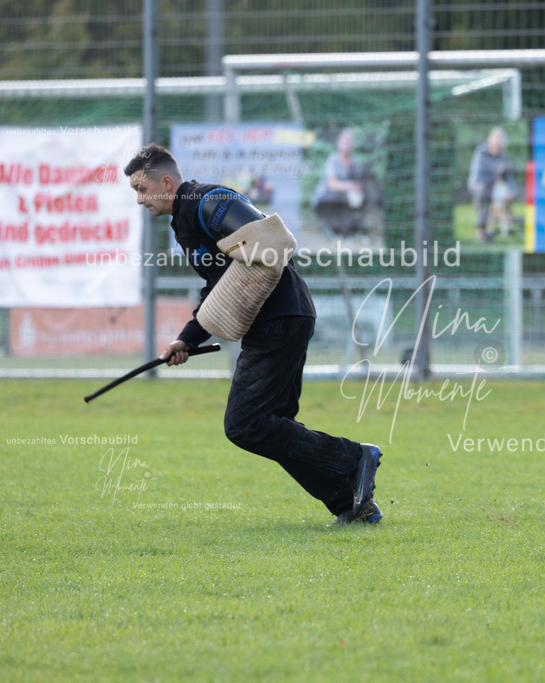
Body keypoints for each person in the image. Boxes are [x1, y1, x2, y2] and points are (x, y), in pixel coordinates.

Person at [125, 142, 383, 525]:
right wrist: (188, 338)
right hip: (280, 319)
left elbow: (273, 245)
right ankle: (350, 504)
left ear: (166, 181)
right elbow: (219, 283)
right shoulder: (183, 219)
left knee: (245, 425)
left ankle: (353, 457)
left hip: (280, 318)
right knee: (274, 425)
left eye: (142, 190)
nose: (139, 201)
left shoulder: (208, 201)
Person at [310, 128, 368, 238]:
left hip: (345, 198)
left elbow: (359, 183)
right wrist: (351, 186)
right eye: (344, 141)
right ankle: (327, 225)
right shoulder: (332, 159)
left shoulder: (355, 161)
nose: (346, 145)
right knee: (335, 194)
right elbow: (332, 184)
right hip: (325, 199)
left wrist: (358, 188)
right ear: (338, 143)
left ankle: (352, 227)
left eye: (348, 142)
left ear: (352, 145)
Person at [467, 127, 517, 243]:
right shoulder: (481, 152)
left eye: (499, 145)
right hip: (480, 184)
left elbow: (509, 176)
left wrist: (511, 190)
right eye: (495, 144)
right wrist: (494, 177)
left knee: (505, 197)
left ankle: (506, 221)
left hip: (496, 186)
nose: (497, 147)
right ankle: (481, 229)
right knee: (484, 194)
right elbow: (478, 175)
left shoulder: (503, 156)